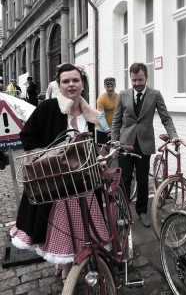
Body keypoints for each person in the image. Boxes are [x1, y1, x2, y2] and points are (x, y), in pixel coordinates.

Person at [10, 63, 109, 280]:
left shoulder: (91, 115)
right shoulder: (48, 108)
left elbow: (97, 145)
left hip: (83, 183)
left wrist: (100, 159)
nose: (71, 85)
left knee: (83, 227)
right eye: (66, 81)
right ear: (59, 85)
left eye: (75, 80)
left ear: (83, 84)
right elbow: (28, 135)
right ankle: (66, 269)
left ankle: (75, 261)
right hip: (55, 185)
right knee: (61, 230)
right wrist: (42, 155)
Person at [111, 62, 178, 227]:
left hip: (144, 144)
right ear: (130, 78)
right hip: (125, 144)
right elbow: (116, 120)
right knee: (124, 180)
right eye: (134, 80)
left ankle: (142, 212)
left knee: (142, 181)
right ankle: (123, 212)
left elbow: (166, 118)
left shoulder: (155, 95)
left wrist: (173, 136)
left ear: (146, 77)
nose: (137, 83)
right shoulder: (123, 95)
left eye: (140, 80)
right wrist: (114, 142)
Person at [95, 77, 118, 144]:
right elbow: (101, 116)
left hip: (112, 127)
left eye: (112, 86)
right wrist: (107, 129)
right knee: (103, 150)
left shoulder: (118, 96)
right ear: (105, 86)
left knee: (114, 149)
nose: (110, 88)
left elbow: (119, 112)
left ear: (115, 85)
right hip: (102, 128)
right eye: (108, 86)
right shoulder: (101, 99)